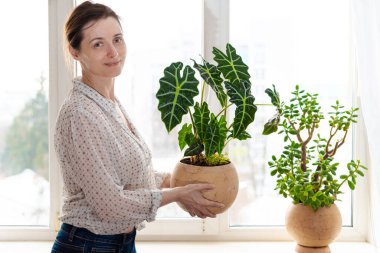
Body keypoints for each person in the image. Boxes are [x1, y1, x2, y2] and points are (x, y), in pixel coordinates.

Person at [51, 1, 224, 253]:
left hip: (118, 244)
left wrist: (174, 181)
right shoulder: (81, 113)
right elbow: (110, 204)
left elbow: (129, 180)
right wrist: (177, 194)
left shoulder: (109, 104)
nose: (113, 52)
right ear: (75, 52)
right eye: (98, 44)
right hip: (88, 245)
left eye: (117, 39)